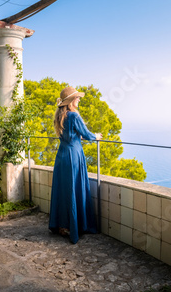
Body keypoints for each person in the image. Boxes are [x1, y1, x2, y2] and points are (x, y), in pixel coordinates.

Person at [49, 86, 102, 244]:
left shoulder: (61, 116)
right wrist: (96, 136)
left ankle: (62, 226)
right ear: (71, 101)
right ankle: (76, 227)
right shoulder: (73, 116)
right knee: (74, 189)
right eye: (77, 98)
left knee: (64, 190)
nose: (79, 99)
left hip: (62, 156)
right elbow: (87, 135)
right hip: (74, 156)